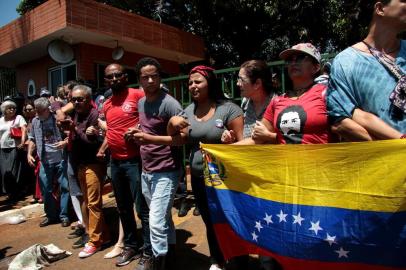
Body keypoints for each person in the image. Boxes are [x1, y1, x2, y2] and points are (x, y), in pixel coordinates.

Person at [168, 65, 244, 270]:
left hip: (225, 178)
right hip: (199, 177)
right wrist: (172, 122)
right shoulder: (188, 111)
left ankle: (238, 258)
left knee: (229, 218)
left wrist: (229, 144)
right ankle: (216, 259)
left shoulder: (229, 109)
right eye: (190, 82)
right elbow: (178, 139)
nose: (193, 85)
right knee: (210, 220)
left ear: (209, 83)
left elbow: (244, 143)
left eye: (198, 81)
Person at [127, 57, 185, 270]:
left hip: (167, 170)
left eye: (155, 76)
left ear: (160, 78)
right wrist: (134, 131)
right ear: (139, 81)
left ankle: (158, 261)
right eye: (145, 77)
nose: (151, 80)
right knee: (163, 218)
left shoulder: (170, 103)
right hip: (147, 169)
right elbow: (147, 127)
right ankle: (170, 258)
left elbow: (181, 139)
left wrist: (148, 138)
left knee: (155, 221)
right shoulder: (141, 101)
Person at [97, 63, 151, 268]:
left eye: (118, 75)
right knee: (123, 208)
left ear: (125, 77)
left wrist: (138, 127)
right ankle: (130, 244)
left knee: (142, 208)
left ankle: (148, 249)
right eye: (109, 77)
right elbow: (111, 130)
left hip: (135, 160)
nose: (114, 79)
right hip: (116, 162)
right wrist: (103, 146)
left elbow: (151, 118)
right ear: (105, 81)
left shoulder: (138, 95)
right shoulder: (107, 104)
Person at [327, 0, 406, 139]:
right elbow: (340, 121)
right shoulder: (346, 62)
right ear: (380, 8)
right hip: (385, 158)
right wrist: (396, 146)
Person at [66, 85, 109, 258]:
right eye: (74, 99)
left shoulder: (94, 115)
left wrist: (75, 129)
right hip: (80, 164)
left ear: (88, 99)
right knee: (88, 202)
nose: (76, 102)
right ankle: (104, 236)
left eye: (80, 99)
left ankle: (94, 241)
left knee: (93, 203)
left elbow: (91, 142)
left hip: (93, 163)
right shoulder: (75, 114)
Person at [27, 98, 70, 227]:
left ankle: (64, 215)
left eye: (41, 111)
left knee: (64, 187)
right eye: (37, 110)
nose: (38, 113)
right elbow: (32, 139)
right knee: (46, 189)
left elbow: (71, 134)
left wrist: (65, 142)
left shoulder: (58, 119)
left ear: (48, 109)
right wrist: (29, 154)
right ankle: (51, 216)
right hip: (45, 161)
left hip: (61, 159)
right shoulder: (35, 121)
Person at [0, 100, 27, 199]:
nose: (12, 110)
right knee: (4, 171)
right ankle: (8, 191)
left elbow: (24, 129)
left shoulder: (19, 118)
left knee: (13, 170)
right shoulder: (1, 120)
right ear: (4, 110)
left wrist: (23, 142)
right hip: (2, 148)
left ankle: (15, 192)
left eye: (14, 108)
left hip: (14, 147)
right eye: (10, 108)